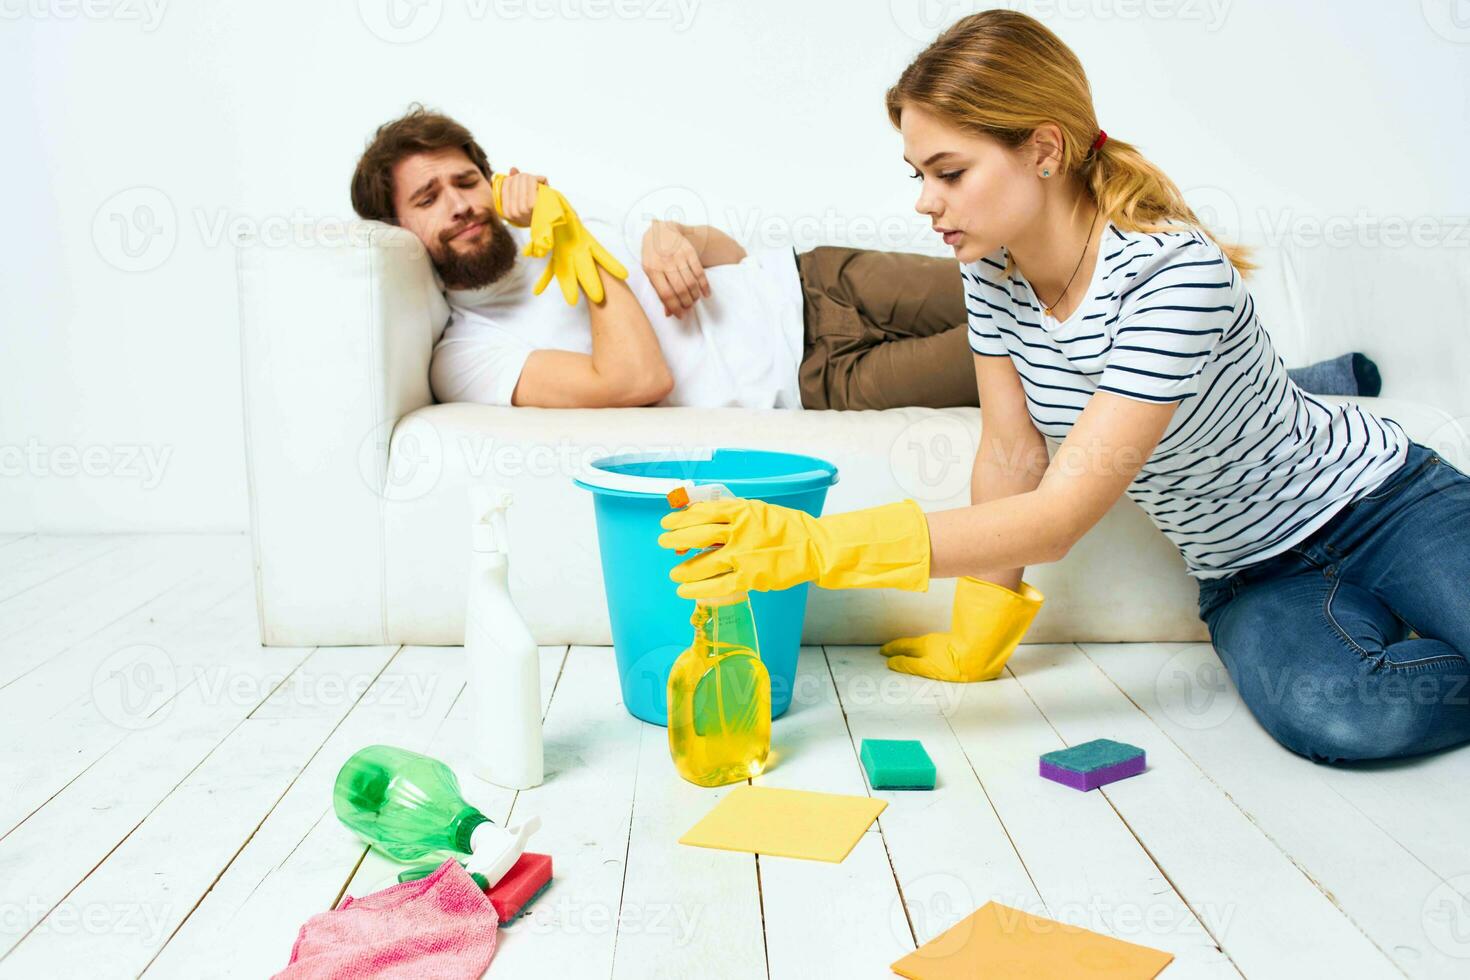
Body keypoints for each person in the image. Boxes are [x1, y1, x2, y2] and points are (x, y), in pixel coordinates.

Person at [657, 10, 1470, 766]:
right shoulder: (991, 275)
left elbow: (1058, 519)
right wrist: (980, 629)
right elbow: (1013, 455)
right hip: (1251, 571)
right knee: (1345, 713)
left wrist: (815, 548)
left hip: (1384, 506)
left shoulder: (1172, 272)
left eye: (949, 172)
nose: (924, 202)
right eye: (918, 174)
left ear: (1044, 149)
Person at [347, 106, 1379, 412]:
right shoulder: (465, 356)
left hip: (812, 278)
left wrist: (668, 233)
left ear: (489, 178)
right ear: (407, 235)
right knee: (1035, 354)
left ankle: (1263, 377)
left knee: (1047, 268)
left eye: (464, 182)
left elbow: (726, 254)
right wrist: (585, 240)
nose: (461, 208)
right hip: (818, 378)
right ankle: (1296, 395)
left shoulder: (550, 228)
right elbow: (637, 375)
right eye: (429, 202)